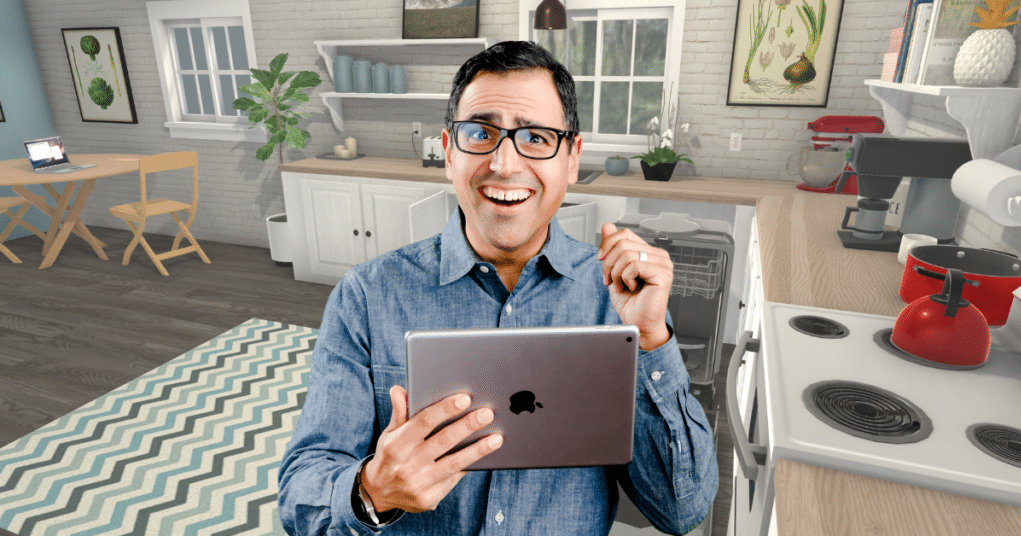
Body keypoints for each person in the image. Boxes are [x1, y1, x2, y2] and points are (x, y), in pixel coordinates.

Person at [278, 40, 718, 536]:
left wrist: (652, 339)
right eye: (480, 133)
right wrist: (371, 492)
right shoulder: (365, 296)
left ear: (571, 159)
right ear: (448, 152)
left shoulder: (617, 298)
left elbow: (683, 509)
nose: (505, 163)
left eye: (535, 137)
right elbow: (301, 493)